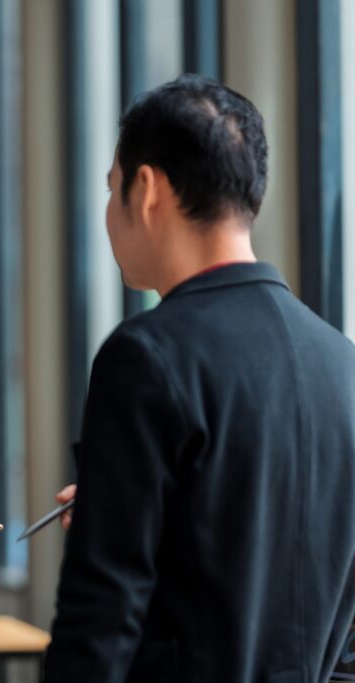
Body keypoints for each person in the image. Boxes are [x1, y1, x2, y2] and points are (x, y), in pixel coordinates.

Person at [43, 74, 355, 682]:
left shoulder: (148, 354)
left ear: (148, 188)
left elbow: (101, 616)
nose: (110, 215)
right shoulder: (343, 363)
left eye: (113, 190)